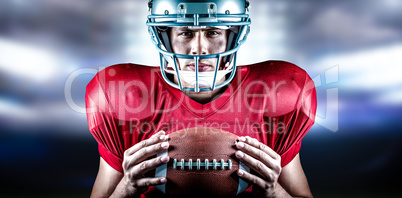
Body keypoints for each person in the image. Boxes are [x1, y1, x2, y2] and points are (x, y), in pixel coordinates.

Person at [85, 0, 317, 197]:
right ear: (164, 37)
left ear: (233, 34)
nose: (199, 48)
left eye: (212, 32)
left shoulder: (277, 92)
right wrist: (125, 188)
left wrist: (275, 191)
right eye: (185, 33)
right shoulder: (123, 96)